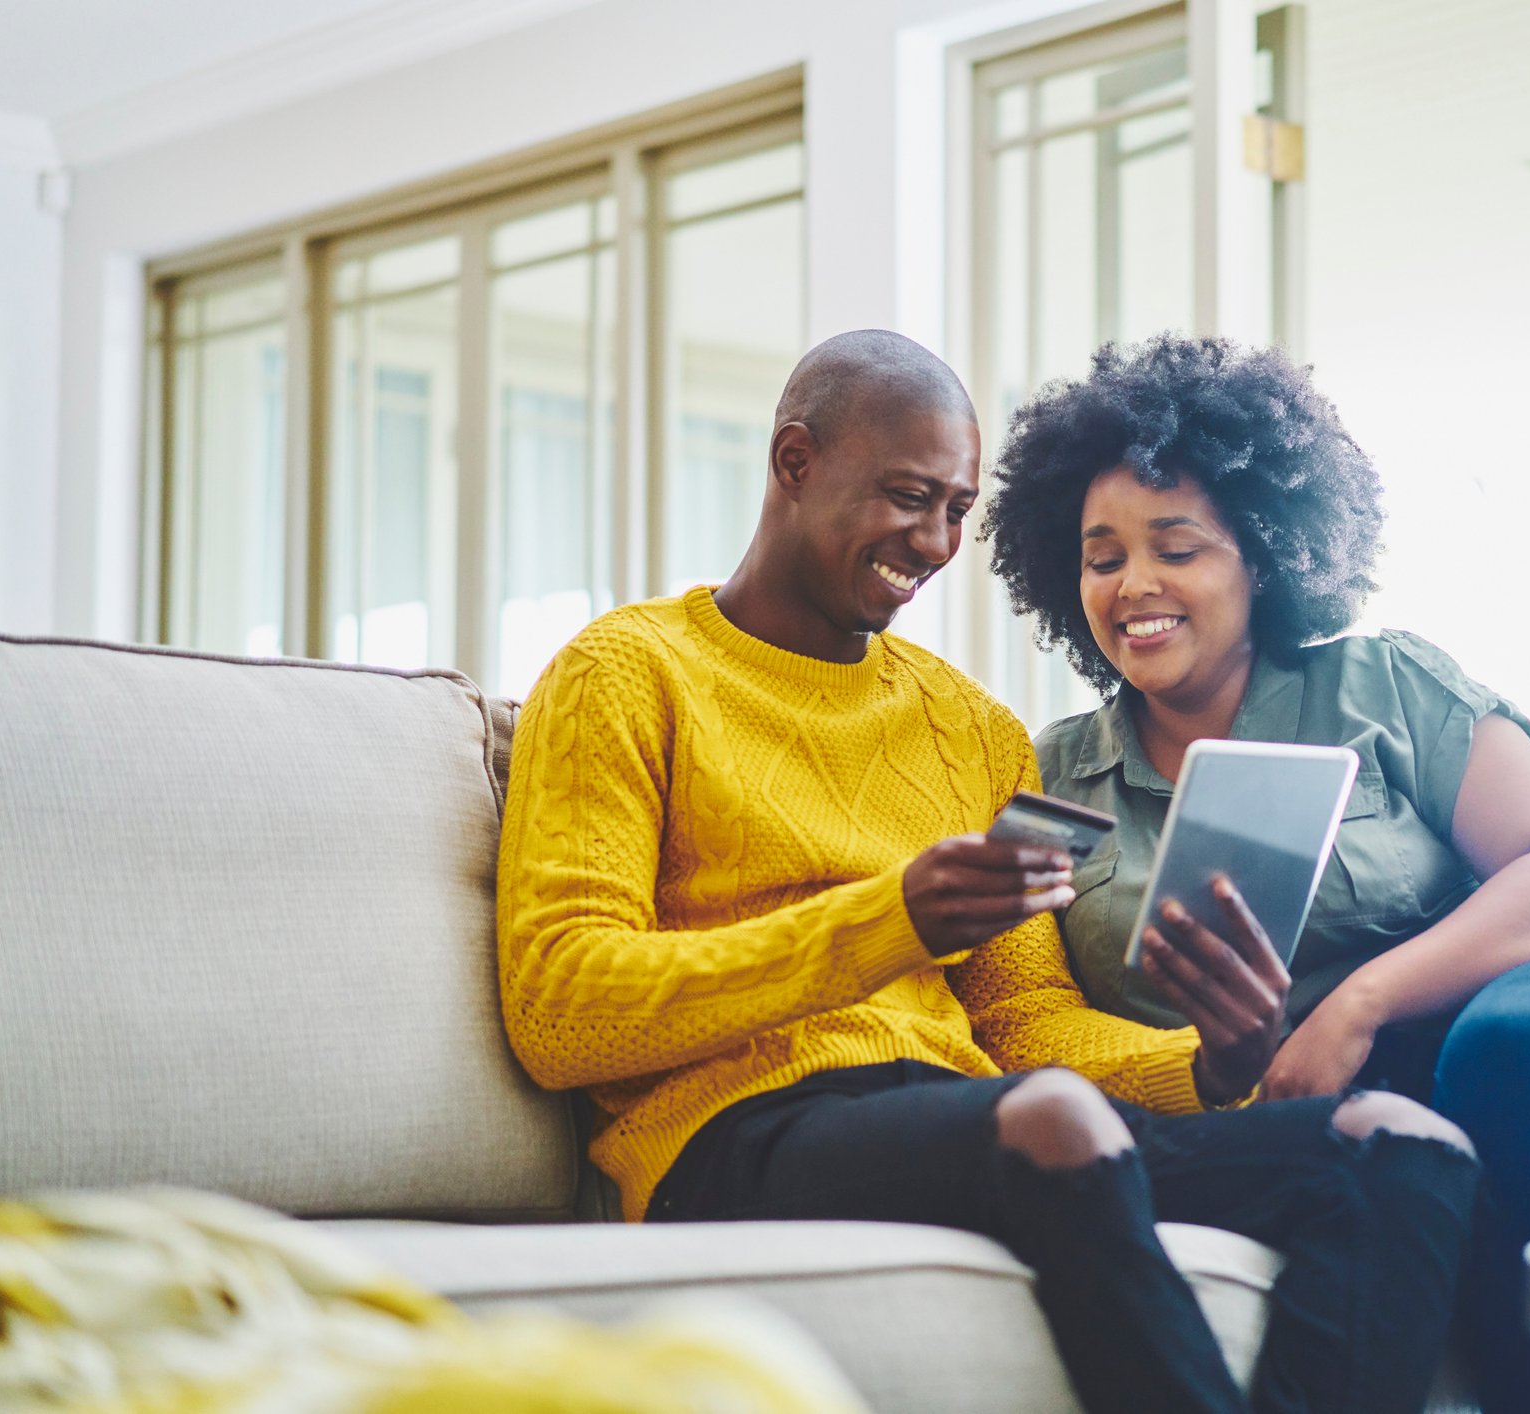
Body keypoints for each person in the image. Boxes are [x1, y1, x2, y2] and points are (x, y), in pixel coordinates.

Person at [496, 329, 1480, 1414]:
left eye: (958, 510)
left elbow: (1022, 1021)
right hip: (728, 1137)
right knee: (1050, 1117)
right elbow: (559, 1006)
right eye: (908, 496)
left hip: (984, 1121)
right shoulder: (624, 673)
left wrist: (1205, 1064)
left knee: (1393, 1143)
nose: (931, 540)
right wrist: (888, 921)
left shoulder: (972, 729)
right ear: (793, 463)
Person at [984, 333, 1530, 1414]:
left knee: (1505, 1056)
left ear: (1262, 549)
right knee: (1448, 1163)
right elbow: (1018, 1015)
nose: (1133, 584)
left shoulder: (1382, 684)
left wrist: (1357, 1001)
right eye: (1101, 557)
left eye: (1176, 545)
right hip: (1322, 1114)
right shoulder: (1052, 779)